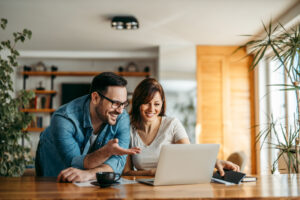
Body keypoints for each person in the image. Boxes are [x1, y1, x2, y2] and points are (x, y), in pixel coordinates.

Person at [35, 72, 140, 182]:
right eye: (115, 103)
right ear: (95, 98)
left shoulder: (122, 117)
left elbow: (117, 163)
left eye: (124, 104)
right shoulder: (64, 119)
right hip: (54, 168)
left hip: (86, 179)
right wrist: (107, 152)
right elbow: (75, 164)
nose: (120, 110)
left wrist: (90, 174)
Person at [123, 78, 239, 176]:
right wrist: (151, 172)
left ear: (162, 104)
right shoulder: (127, 129)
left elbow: (189, 153)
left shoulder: (172, 124)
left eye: (157, 104)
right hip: (141, 188)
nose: (152, 109)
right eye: (146, 103)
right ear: (138, 103)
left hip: (171, 185)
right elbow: (126, 172)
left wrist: (215, 161)